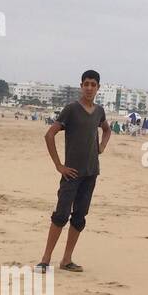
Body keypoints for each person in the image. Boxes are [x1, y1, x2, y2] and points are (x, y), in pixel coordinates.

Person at [37, 69, 110, 273]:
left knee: (79, 217)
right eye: (86, 84)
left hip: (91, 173)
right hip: (71, 173)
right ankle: (45, 259)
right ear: (81, 86)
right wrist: (59, 166)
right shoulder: (71, 109)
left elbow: (107, 129)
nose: (89, 88)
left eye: (93, 84)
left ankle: (67, 260)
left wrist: (101, 147)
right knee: (60, 215)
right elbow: (49, 135)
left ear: (98, 88)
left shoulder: (99, 111)